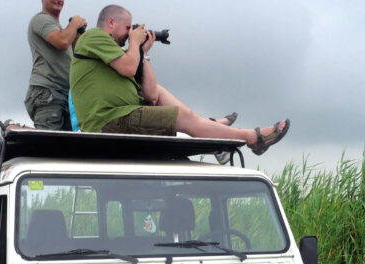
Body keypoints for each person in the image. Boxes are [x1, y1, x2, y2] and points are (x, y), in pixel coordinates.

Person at [69, 5, 289, 156]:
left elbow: (151, 94)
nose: (129, 33)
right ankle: (252, 137)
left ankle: (206, 125)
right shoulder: (94, 36)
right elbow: (127, 67)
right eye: (127, 28)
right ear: (110, 22)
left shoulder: (114, 57)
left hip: (122, 115)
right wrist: (135, 43)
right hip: (108, 122)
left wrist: (144, 54)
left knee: (163, 93)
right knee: (183, 118)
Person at [24, 0, 88, 130]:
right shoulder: (40, 19)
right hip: (47, 92)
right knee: (48, 144)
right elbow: (62, 41)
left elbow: (76, 55)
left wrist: (76, 34)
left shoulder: (61, 29)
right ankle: (12, 128)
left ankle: (20, 130)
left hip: (65, 94)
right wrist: (75, 23)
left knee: (65, 146)